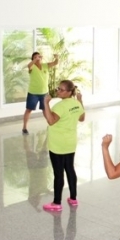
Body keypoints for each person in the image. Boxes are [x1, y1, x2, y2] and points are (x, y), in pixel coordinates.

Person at [41, 80, 85, 211]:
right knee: (70, 169)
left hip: (58, 144)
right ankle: (73, 198)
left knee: (58, 173)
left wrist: (45, 103)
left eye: (61, 90)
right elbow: (82, 118)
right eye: (58, 88)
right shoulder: (76, 103)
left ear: (69, 92)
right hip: (70, 143)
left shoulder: (60, 106)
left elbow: (51, 121)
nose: (58, 91)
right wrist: (80, 100)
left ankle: (56, 203)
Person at [22, 52, 59, 135]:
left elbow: (55, 62)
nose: (37, 58)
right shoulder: (32, 67)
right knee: (29, 110)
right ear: (33, 59)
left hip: (44, 93)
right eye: (35, 57)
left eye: (38, 56)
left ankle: (50, 125)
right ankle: (24, 128)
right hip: (33, 93)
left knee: (45, 110)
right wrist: (35, 60)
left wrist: (56, 57)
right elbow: (29, 66)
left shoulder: (46, 65)